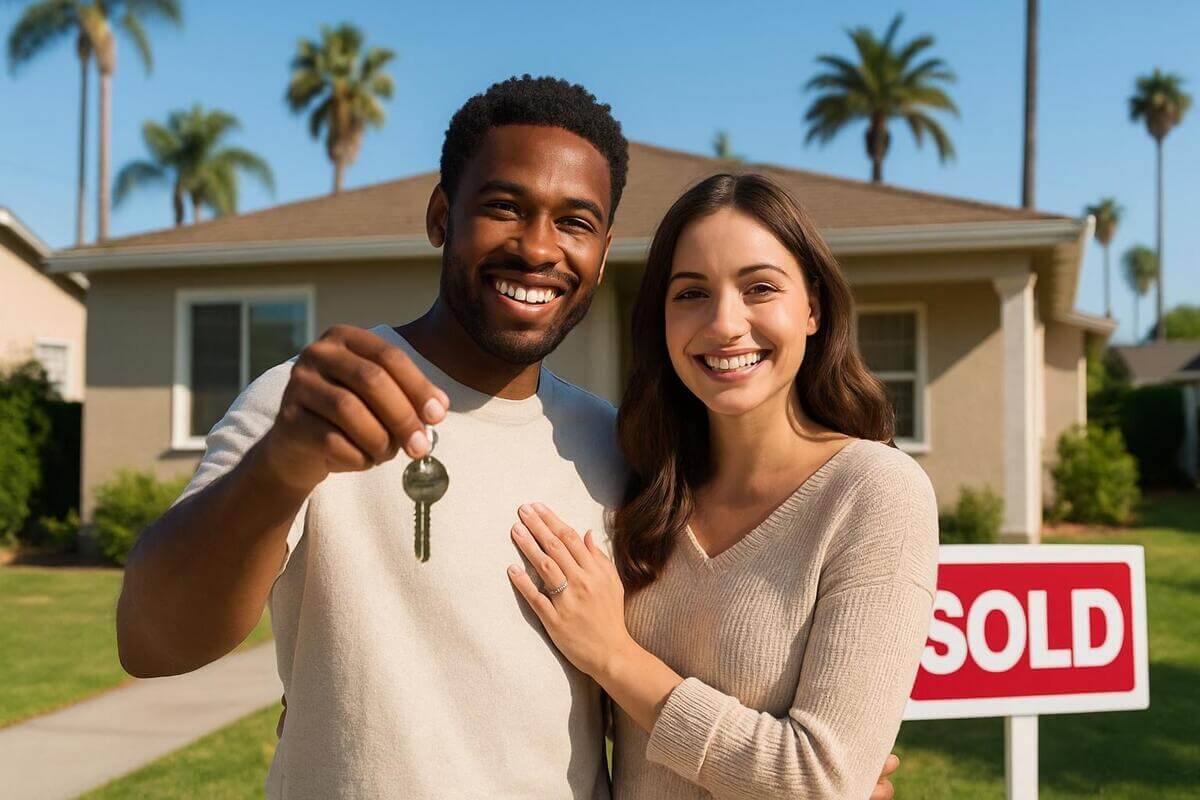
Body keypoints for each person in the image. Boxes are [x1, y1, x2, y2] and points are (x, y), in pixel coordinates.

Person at [115, 76, 900, 799]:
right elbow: (153, 642)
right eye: (503, 206)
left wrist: (813, 778)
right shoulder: (313, 406)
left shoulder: (619, 447)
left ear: (600, 257)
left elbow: (657, 692)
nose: (538, 246)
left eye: (575, 222)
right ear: (439, 217)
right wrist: (279, 471)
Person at [505, 173, 938, 799]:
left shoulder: (875, 492)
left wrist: (615, 656)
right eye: (691, 294)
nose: (725, 324)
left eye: (760, 288)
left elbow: (817, 781)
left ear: (812, 306)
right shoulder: (643, 490)